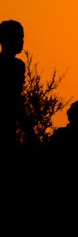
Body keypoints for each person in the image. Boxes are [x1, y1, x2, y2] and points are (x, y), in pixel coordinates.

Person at [0, 19, 24, 158]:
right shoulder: (15, 67)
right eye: (19, 37)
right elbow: (15, 99)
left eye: (22, 37)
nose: (21, 41)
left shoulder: (18, 65)